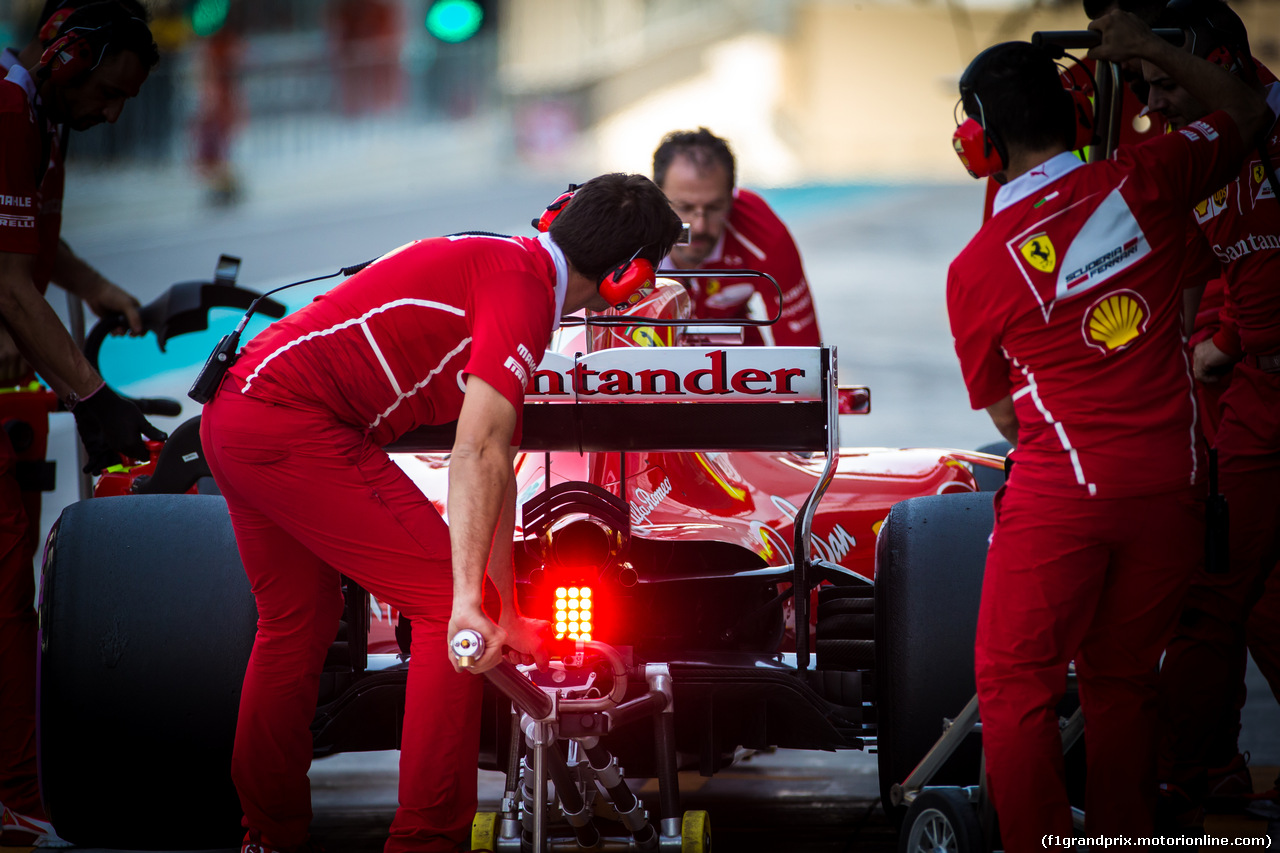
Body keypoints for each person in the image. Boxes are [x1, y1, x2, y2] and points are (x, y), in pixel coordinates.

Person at [198, 173, 682, 853]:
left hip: (235, 416)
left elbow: (499, 468)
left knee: (295, 623)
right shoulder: (524, 295)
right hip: (292, 425)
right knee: (446, 613)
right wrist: (467, 602)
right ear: (627, 278)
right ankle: (424, 841)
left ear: (558, 216)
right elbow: (478, 446)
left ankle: (268, 836)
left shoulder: (509, 263)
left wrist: (507, 609)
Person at [945, 13, 1268, 848]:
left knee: (1015, 685)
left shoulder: (976, 269)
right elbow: (1251, 109)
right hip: (1173, 487)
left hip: (1065, 497)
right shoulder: (1149, 177)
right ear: (1075, 117)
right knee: (1124, 680)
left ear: (979, 141)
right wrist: (1151, 51)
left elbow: (1007, 415)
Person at [0, 2, 165, 847]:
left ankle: (17, 794)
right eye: (107, 92)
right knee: (3, 609)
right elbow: (6, 281)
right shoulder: (5, 108)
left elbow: (29, 242)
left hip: (10, 401)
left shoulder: (38, 117)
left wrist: (97, 288)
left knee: (13, 603)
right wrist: (92, 397)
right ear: (64, 56)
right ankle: (10, 802)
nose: (111, 114)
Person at [1139, 0, 1280, 825]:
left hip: (1251, 376)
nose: (1154, 107)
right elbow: (1181, 286)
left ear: (1217, 62)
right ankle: (1202, 772)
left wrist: (1225, 338)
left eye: (1166, 85)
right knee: (1215, 590)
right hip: (1253, 401)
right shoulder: (1190, 157)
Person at [652, 128, 821, 346]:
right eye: (684, 207)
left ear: (733, 198)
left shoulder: (764, 234)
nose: (700, 226)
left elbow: (803, 353)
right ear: (655, 198)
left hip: (730, 335)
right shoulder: (624, 233)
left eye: (715, 207)